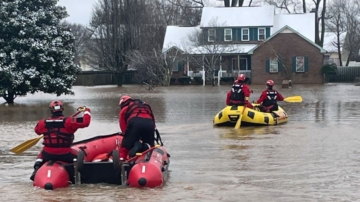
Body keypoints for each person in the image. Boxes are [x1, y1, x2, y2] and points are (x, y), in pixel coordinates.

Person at [30, 101, 91, 181]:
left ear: (51, 110)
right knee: (81, 157)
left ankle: (36, 168)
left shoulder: (42, 123)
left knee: (41, 154)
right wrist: (87, 111)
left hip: (48, 153)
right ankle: (83, 176)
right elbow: (86, 122)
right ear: (62, 109)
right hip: (65, 153)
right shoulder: (69, 121)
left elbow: (37, 131)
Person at [118, 95, 156, 161]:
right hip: (149, 124)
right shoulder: (144, 105)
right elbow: (152, 119)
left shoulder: (124, 109)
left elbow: (123, 128)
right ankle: (147, 149)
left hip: (135, 123)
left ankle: (121, 160)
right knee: (150, 145)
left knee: (124, 147)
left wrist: (128, 139)